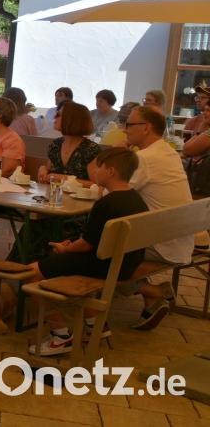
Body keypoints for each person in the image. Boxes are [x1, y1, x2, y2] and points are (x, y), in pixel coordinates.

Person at [26, 148, 150, 356]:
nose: (95, 171)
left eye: (99, 167)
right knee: (60, 260)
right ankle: (95, 324)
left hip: (103, 265)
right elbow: (91, 241)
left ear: (111, 171)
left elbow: (86, 245)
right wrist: (72, 247)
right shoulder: (136, 199)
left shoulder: (106, 203)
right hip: (126, 263)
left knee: (31, 272)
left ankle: (60, 336)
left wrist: (66, 248)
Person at [122, 105, 194, 330]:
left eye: (129, 124)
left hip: (163, 243)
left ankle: (154, 291)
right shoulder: (167, 151)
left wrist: (117, 155)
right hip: (179, 237)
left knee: (99, 254)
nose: (124, 129)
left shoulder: (145, 158)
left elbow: (113, 193)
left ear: (146, 128)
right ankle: (152, 299)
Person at [38, 102, 100, 182]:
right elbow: (49, 169)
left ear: (71, 119)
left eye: (58, 115)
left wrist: (63, 178)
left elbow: (96, 185)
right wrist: (44, 169)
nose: (54, 117)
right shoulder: (56, 145)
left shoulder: (91, 149)